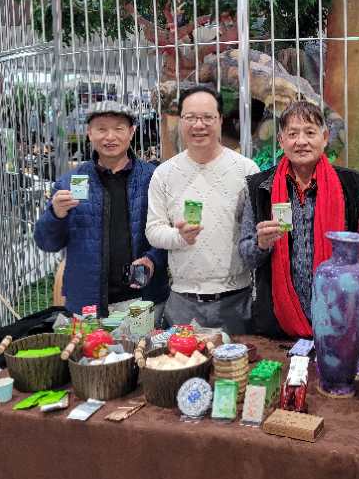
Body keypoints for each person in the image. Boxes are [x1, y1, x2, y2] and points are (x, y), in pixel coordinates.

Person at [239, 100, 359, 338]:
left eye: (310, 133)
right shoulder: (260, 188)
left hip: (340, 316)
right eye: (292, 134)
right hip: (278, 321)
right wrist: (261, 244)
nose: (301, 142)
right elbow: (246, 255)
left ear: (325, 137)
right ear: (281, 141)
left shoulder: (352, 187)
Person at [34, 102, 169, 316]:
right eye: (101, 129)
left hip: (143, 299)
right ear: (89, 133)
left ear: (131, 132)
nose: (110, 137)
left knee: (144, 349)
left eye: (118, 128)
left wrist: (152, 259)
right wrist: (56, 215)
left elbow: (166, 235)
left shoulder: (153, 178)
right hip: (87, 304)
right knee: (91, 350)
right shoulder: (69, 183)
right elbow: (47, 243)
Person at [146, 84, 259, 332]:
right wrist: (178, 236)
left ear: (220, 120)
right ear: (181, 121)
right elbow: (153, 230)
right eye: (191, 117)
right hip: (183, 301)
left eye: (208, 117)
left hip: (236, 299)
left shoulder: (246, 170)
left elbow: (252, 235)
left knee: (235, 369)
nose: (199, 125)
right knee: (183, 366)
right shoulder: (164, 174)